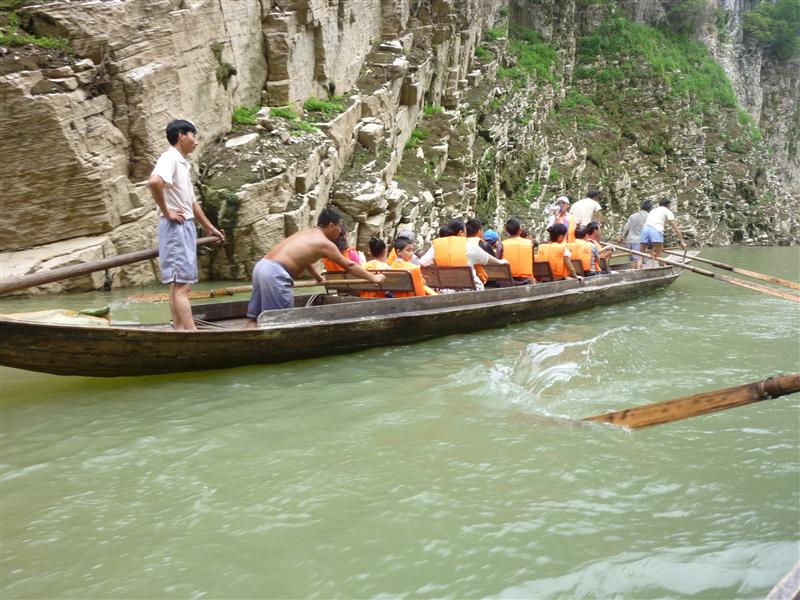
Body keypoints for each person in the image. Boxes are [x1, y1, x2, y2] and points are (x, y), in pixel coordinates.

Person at [148, 119, 225, 331]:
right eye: (193, 136)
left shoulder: (182, 163)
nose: (196, 142)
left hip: (184, 225)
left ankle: (180, 331)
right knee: (183, 286)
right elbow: (154, 182)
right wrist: (167, 212)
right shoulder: (170, 157)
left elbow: (191, 203)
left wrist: (210, 228)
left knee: (178, 284)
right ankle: (192, 334)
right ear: (181, 135)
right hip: (176, 227)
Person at [247, 207, 385, 318]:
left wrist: (318, 277)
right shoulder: (324, 243)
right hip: (275, 274)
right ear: (331, 226)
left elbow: (305, 260)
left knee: (256, 317)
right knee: (278, 320)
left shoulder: (306, 234)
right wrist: (374, 278)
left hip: (262, 267)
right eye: (339, 226)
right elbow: (349, 265)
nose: (340, 230)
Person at [419, 219, 507, 290]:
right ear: (461, 232)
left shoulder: (436, 246)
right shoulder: (468, 245)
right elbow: (487, 259)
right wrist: (500, 262)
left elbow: (423, 262)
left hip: (446, 291)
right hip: (470, 290)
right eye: (465, 232)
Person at [639, 197, 687, 266]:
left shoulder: (653, 210)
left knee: (641, 256)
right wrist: (682, 242)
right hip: (656, 230)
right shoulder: (667, 211)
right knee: (659, 255)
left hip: (645, 230)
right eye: (670, 205)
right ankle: (662, 270)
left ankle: (637, 272)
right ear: (668, 205)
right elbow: (676, 228)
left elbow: (651, 223)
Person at [619, 199, 653, 267]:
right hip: (638, 242)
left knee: (633, 261)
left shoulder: (632, 216)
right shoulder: (649, 217)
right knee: (639, 260)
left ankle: (634, 273)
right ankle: (639, 274)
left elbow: (626, 228)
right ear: (650, 208)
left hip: (629, 241)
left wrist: (621, 237)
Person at [502, 217, 534, 285]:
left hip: (508, 281)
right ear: (520, 230)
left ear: (507, 230)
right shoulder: (529, 243)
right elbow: (532, 262)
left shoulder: (502, 244)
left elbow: (498, 262)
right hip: (527, 281)